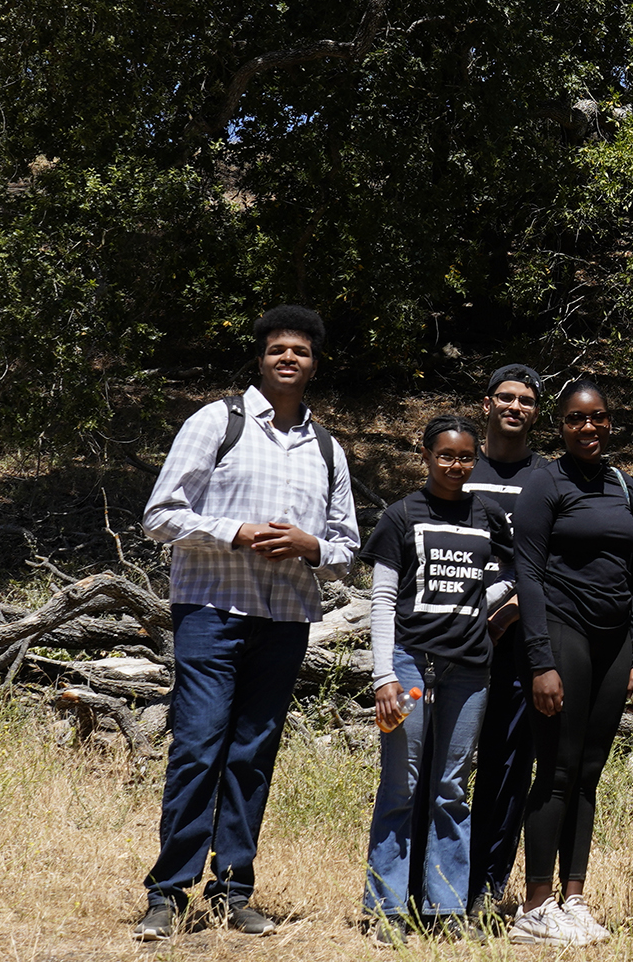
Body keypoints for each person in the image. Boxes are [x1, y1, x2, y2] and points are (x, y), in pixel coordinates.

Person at [136, 305, 359, 941]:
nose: (288, 358)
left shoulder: (327, 448)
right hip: (211, 611)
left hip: (286, 618)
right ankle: (169, 894)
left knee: (253, 756)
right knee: (199, 748)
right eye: (277, 349)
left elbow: (346, 546)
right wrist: (236, 532)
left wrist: (308, 547)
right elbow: (160, 514)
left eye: (301, 351)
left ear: (316, 363)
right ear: (260, 357)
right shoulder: (217, 421)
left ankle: (235, 891)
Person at [506, 377, 633, 946]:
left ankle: (574, 898)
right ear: (559, 426)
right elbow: (529, 575)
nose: (588, 427)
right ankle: (535, 906)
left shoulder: (622, 484)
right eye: (575, 419)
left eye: (598, 418)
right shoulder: (546, 482)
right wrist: (540, 660)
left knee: (589, 773)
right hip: (563, 631)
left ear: (610, 423)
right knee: (557, 770)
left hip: (614, 642)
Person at [362, 416, 514, 946]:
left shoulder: (487, 514)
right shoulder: (401, 514)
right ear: (425, 455)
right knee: (401, 787)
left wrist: (483, 608)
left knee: (451, 788)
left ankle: (445, 906)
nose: (456, 465)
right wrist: (383, 675)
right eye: (446, 455)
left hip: (468, 671)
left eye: (466, 457)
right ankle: (386, 910)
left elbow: (515, 573)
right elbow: (381, 600)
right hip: (408, 666)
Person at [464, 364, 544, 915]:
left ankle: (489, 885)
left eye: (526, 400)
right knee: (442, 764)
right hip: (454, 641)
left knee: (508, 764)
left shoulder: (548, 479)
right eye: (506, 398)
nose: (515, 407)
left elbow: (554, 561)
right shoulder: (458, 465)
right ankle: (433, 881)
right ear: (487, 404)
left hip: (520, 643)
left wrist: (514, 604)